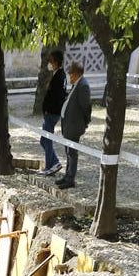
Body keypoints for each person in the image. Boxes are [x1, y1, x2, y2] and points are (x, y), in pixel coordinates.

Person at [56, 61, 92, 190]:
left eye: (71, 74)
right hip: (69, 124)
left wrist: (84, 123)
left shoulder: (83, 86)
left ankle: (70, 179)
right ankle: (67, 176)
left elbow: (86, 107)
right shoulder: (76, 84)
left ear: (76, 74)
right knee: (68, 151)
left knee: (72, 153)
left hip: (74, 126)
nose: (69, 77)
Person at [40, 50, 66, 177]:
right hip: (51, 112)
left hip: (51, 113)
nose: (49, 63)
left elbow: (56, 97)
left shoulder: (60, 76)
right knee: (44, 140)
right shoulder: (59, 75)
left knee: (46, 139)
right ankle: (52, 164)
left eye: (51, 61)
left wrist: (48, 109)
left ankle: (53, 164)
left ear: (56, 62)